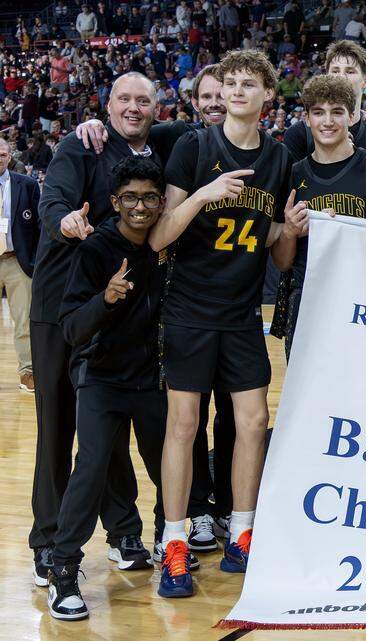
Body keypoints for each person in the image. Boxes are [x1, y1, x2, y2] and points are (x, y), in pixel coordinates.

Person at [151, 49, 307, 598]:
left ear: (269, 97)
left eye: (249, 84)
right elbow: (159, 236)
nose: (237, 91)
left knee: (251, 421)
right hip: (190, 309)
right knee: (184, 425)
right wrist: (203, 194)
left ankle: (243, 532)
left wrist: (287, 229)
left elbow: (279, 257)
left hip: (242, 314)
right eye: (230, 83)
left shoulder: (281, 159)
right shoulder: (194, 146)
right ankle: (173, 541)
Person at [74, 65, 235, 550]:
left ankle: (210, 511)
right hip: (156, 299)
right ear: (191, 103)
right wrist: (88, 124)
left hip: (218, 303)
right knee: (176, 424)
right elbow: (127, 125)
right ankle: (162, 528)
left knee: (219, 419)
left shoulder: (251, 148)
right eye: (205, 95)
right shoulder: (180, 139)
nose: (214, 104)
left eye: (221, 95)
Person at [29, 72, 157, 589]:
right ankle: (47, 539)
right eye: (123, 98)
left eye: (142, 99)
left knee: (107, 423)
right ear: (107, 105)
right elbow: (53, 202)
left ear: (156, 107)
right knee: (58, 425)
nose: (133, 107)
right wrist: (65, 222)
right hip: (61, 303)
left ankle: (123, 531)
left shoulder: (160, 146)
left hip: (115, 307)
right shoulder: (80, 144)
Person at [48, 157, 168, 620]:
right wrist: (107, 298)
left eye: (150, 197)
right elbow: (72, 328)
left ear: (162, 202)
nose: (141, 206)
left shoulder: (165, 244)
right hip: (101, 377)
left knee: (167, 463)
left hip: (151, 379)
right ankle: (63, 570)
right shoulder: (97, 250)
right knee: (92, 466)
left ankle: (167, 540)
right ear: (115, 202)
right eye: (131, 198)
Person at [284, 75, 366, 357]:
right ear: (307, 119)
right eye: (318, 113)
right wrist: (291, 232)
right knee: (307, 400)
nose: (327, 121)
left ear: (352, 116)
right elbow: (282, 260)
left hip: (364, 301)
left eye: (337, 112)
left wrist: (345, 232)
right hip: (307, 299)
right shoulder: (293, 174)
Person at [282, 40, 366, 162]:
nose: (341, 77)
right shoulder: (299, 134)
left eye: (349, 71)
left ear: (365, 82)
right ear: (326, 76)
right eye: (335, 71)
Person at [0, 138, 39, 393]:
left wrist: (35, 259)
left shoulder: (26, 184)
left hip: (16, 260)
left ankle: (28, 372)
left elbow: (39, 226)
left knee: (24, 320)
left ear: (9, 155)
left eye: (2, 153)